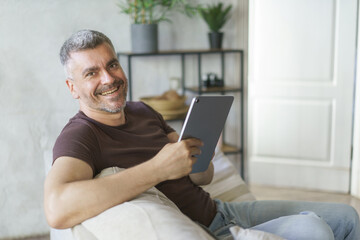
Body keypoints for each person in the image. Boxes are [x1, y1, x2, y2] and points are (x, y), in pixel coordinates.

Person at [44, 29, 360, 240]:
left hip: (222, 210)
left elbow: (202, 176)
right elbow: (57, 209)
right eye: (91, 73)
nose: (109, 78)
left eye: (112, 65)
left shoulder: (142, 110)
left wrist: (199, 154)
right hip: (204, 228)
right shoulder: (81, 135)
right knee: (313, 229)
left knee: (347, 216)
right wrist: (158, 168)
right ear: (72, 87)